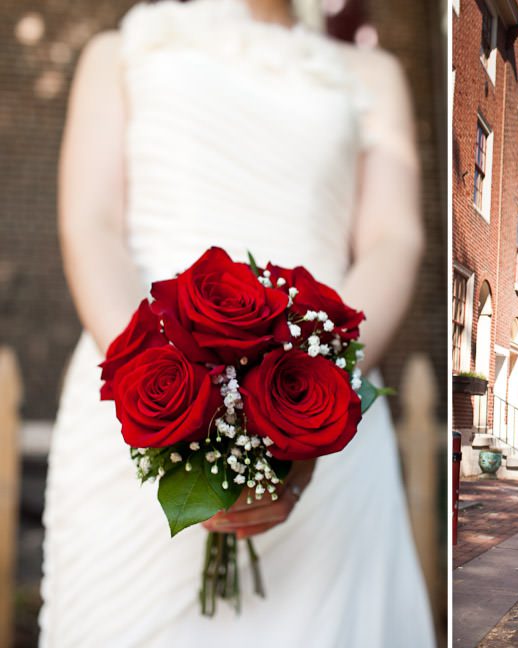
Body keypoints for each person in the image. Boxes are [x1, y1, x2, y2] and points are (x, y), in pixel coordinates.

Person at [39, 0, 436, 645]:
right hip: (138, 393)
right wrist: (160, 384)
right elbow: (91, 226)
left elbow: (394, 239)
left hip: (315, 390)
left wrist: (316, 387)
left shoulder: (372, 74)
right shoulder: (119, 52)